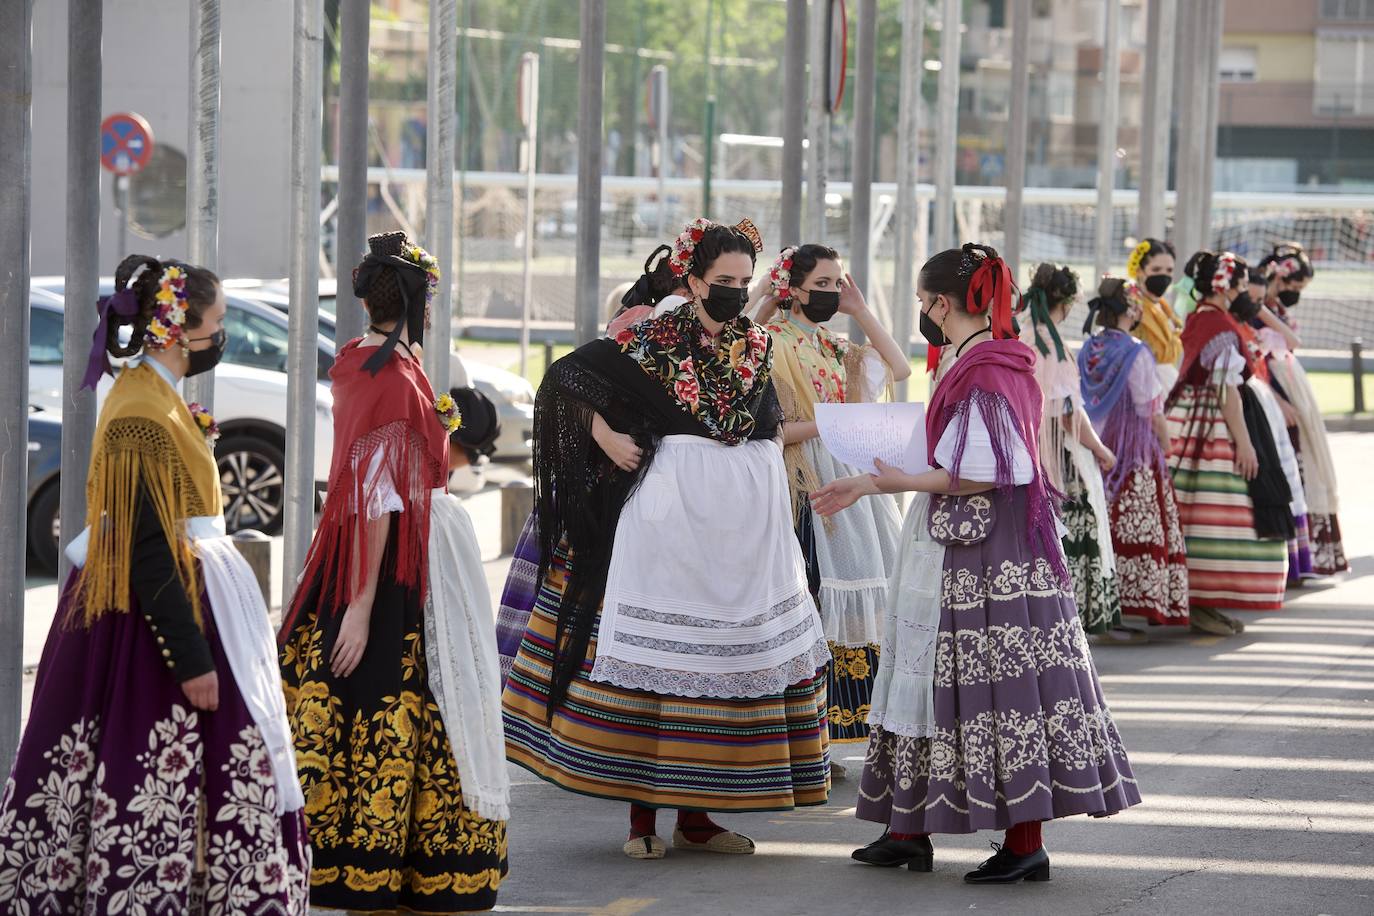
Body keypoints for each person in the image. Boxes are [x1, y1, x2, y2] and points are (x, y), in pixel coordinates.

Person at [501, 218, 830, 861]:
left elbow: (763, 427)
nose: (734, 292)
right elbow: (567, 379)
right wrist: (602, 434)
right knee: (655, 670)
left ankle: (698, 818)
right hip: (664, 519)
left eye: (743, 281)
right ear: (692, 280)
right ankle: (642, 820)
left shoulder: (756, 345)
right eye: (722, 282)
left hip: (737, 530)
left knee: (715, 669)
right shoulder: (653, 339)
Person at [813, 243, 1140, 884]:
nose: (922, 314)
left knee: (992, 687)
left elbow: (989, 470)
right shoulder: (978, 357)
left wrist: (882, 483)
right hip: (964, 541)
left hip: (984, 553)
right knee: (937, 679)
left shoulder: (986, 368)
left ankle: (1023, 843)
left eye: (921, 303)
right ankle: (910, 829)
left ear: (940, 304)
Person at [0, 255, 310, 912]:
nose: (220, 335)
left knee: (170, 765)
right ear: (175, 328)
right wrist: (190, 657)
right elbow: (145, 545)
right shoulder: (142, 410)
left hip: (174, 604)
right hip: (149, 621)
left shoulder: (156, 395)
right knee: (146, 759)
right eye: (217, 322)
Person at [280, 231, 507, 913]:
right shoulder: (386, 373)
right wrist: (361, 599)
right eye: (430, 296)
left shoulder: (369, 362)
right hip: (398, 560)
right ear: (416, 300)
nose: (433, 308)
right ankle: (380, 869)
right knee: (401, 694)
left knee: (427, 696)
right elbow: (376, 495)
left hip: (420, 546)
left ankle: (394, 865)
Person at [759, 243, 907, 753]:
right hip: (799, 475)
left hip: (843, 470)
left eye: (836, 284)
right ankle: (806, 731)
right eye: (821, 284)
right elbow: (772, 429)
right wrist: (833, 422)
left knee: (848, 590)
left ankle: (839, 726)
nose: (830, 293)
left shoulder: (833, 344)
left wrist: (861, 310)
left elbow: (899, 368)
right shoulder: (770, 341)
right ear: (792, 288)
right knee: (812, 594)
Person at [1166, 250, 1289, 633]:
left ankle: (1202, 600)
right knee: (1220, 508)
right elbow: (1225, 389)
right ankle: (1202, 598)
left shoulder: (1204, 318)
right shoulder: (1216, 323)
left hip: (1194, 419)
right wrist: (1245, 443)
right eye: (1238, 285)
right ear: (1225, 287)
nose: (1243, 291)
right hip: (1212, 425)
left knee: (1194, 509)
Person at [1019, 263, 1132, 642]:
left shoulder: (1020, 335)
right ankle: (1073, 616)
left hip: (1024, 446)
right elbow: (1067, 414)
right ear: (1065, 304)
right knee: (1073, 527)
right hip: (1058, 453)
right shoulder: (1051, 346)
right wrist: (1100, 449)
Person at [1077, 277, 1191, 632]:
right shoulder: (1136, 351)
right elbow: (1150, 407)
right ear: (1128, 310)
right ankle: (1137, 600)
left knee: (1101, 519)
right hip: (1133, 448)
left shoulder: (1088, 348)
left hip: (1093, 442)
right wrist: (1167, 442)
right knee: (1140, 519)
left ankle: (1102, 601)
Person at [1254, 243, 1349, 577]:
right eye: (1294, 286)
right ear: (1279, 278)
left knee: (1307, 463)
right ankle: (1293, 558)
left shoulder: (1272, 306)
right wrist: (1278, 399)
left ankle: (1311, 555)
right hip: (1273, 385)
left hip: (1289, 380)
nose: (1295, 294)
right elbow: (1285, 343)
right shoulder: (1256, 307)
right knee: (1292, 464)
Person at [1243, 267, 1314, 583]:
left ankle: (1293, 563)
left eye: (1259, 300)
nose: (1256, 306)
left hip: (1266, 398)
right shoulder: (1235, 326)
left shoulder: (1259, 317)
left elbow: (1293, 340)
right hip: (1257, 399)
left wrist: (1260, 309)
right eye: (1251, 299)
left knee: (1286, 476)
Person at [1126, 237, 1184, 391]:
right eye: (1156, 270)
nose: (1164, 276)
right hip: (1144, 387)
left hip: (1167, 383)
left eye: (1169, 270)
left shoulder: (1163, 307)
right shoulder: (1130, 306)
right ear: (1139, 271)